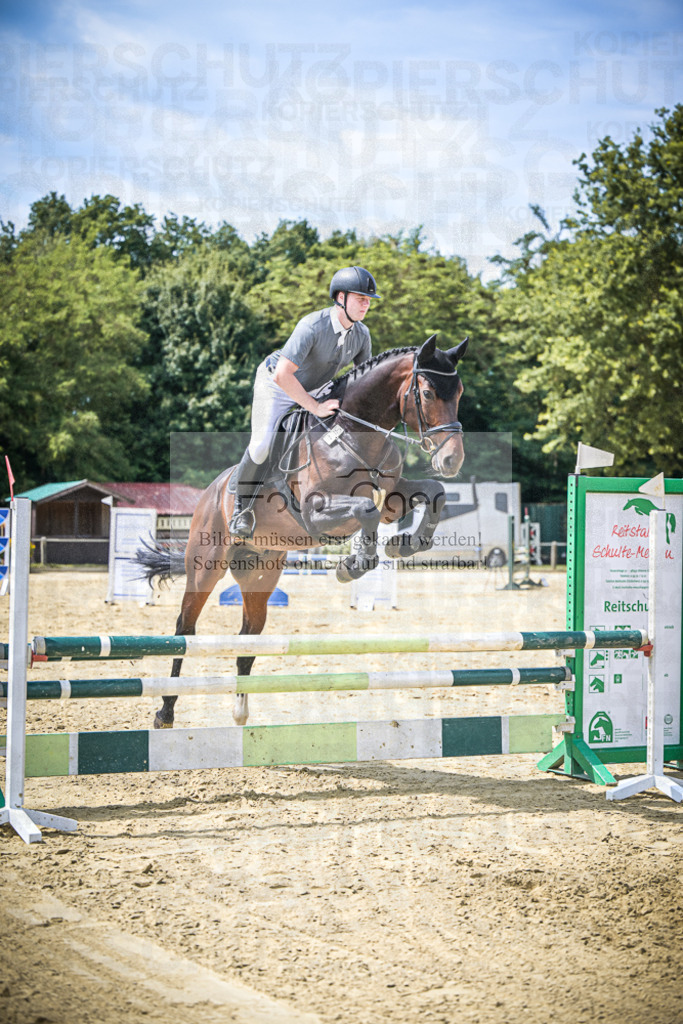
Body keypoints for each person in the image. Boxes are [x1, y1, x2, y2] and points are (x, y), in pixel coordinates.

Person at [229, 265, 381, 538]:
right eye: (360, 298)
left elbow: (364, 382)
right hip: (276, 383)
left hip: (317, 386)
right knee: (262, 444)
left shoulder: (362, 335)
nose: (366, 304)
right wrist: (314, 406)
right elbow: (283, 375)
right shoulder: (312, 325)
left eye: (368, 300)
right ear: (340, 298)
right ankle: (242, 508)